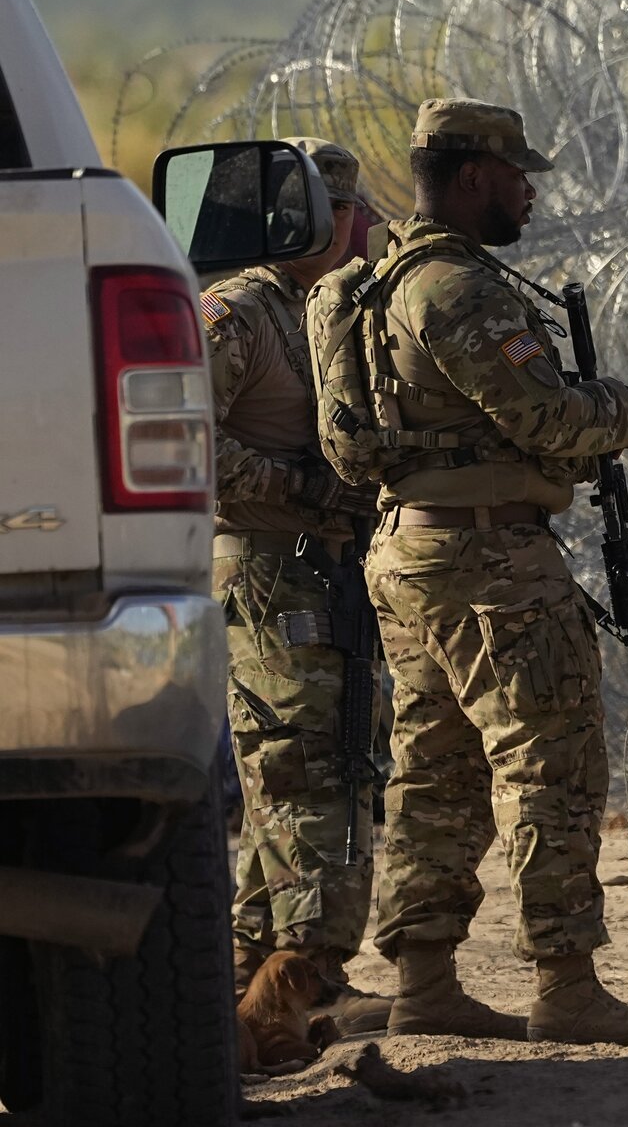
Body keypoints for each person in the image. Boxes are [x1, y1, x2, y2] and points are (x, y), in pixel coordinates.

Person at [360, 97, 628, 1046]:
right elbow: (545, 419)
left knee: (436, 769)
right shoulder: (458, 291)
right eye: (517, 174)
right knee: (552, 763)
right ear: (472, 179)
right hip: (489, 562)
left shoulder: (381, 282)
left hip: (412, 551)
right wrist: (620, 409)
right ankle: (568, 986)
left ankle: (424, 985)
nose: (530, 192)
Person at [202, 137, 390, 1030]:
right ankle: (308, 977)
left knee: (317, 768)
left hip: (323, 568)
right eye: (346, 212)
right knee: (305, 773)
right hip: (269, 568)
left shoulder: (325, 313)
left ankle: (254, 974)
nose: (360, 229)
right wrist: (304, 485)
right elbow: (180, 443)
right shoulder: (238, 315)